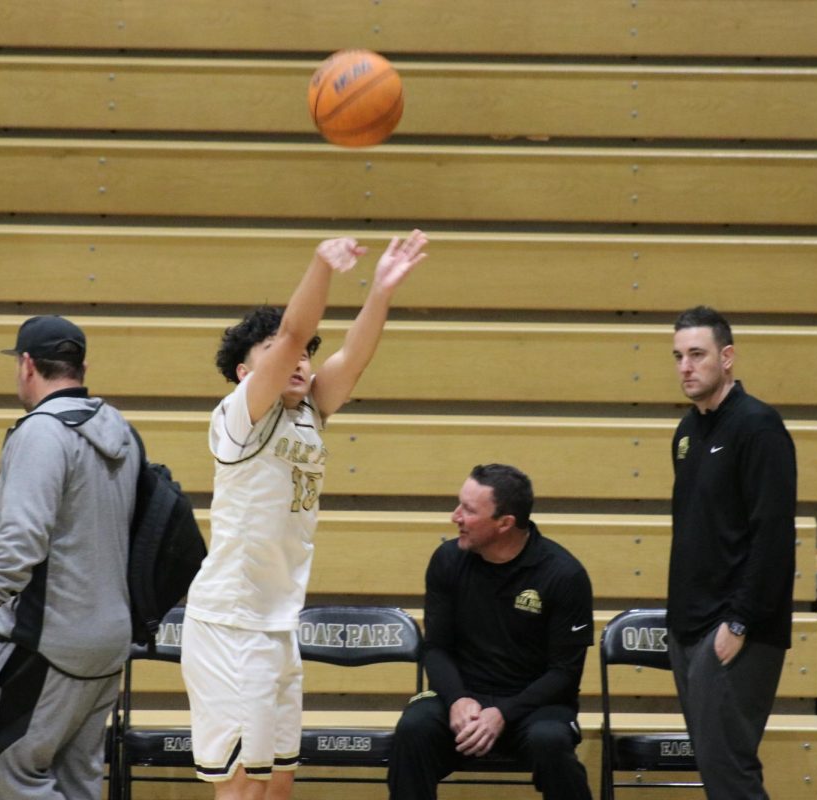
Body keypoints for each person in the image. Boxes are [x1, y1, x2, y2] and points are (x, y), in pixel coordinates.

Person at [181, 231, 428, 800]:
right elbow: (295, 330)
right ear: (246, 373)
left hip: (277, 625)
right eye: (274, 352)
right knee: (242, 788)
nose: (299, 357)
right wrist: (321, 266)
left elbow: (354, 357)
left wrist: (380, 293)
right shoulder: (241, 416)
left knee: (279, 785)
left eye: (306, 354)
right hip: (231, 624)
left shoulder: (310, 410)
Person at [0, 315, 142, 800]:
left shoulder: (40, 433)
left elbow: (21, 541)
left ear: (27, 364)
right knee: (76, 781)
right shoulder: (121, 430)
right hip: (108, 641)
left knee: (9, 768)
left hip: (49, 640)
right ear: (82, 367)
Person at [387, 464, 594, 800]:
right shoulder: (447, 561)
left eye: (468, 510)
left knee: (551, 743)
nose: (455, 517)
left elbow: (564, 674)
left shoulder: (563, 574)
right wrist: (457, 699)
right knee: (414, 728)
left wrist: (503, 714)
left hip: (534, 708)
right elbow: (435, 648)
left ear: (504, 523)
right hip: (464, 699)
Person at [667, 305, 797, 799]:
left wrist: (740, 621)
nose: (685, 366)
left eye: (697, 354)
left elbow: (774, 537)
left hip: (736, 627)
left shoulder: (758, 427)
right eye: (678, 356)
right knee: (717, 772)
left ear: (727, 357)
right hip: (690, 628)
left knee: (729, 773)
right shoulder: (686, 434)